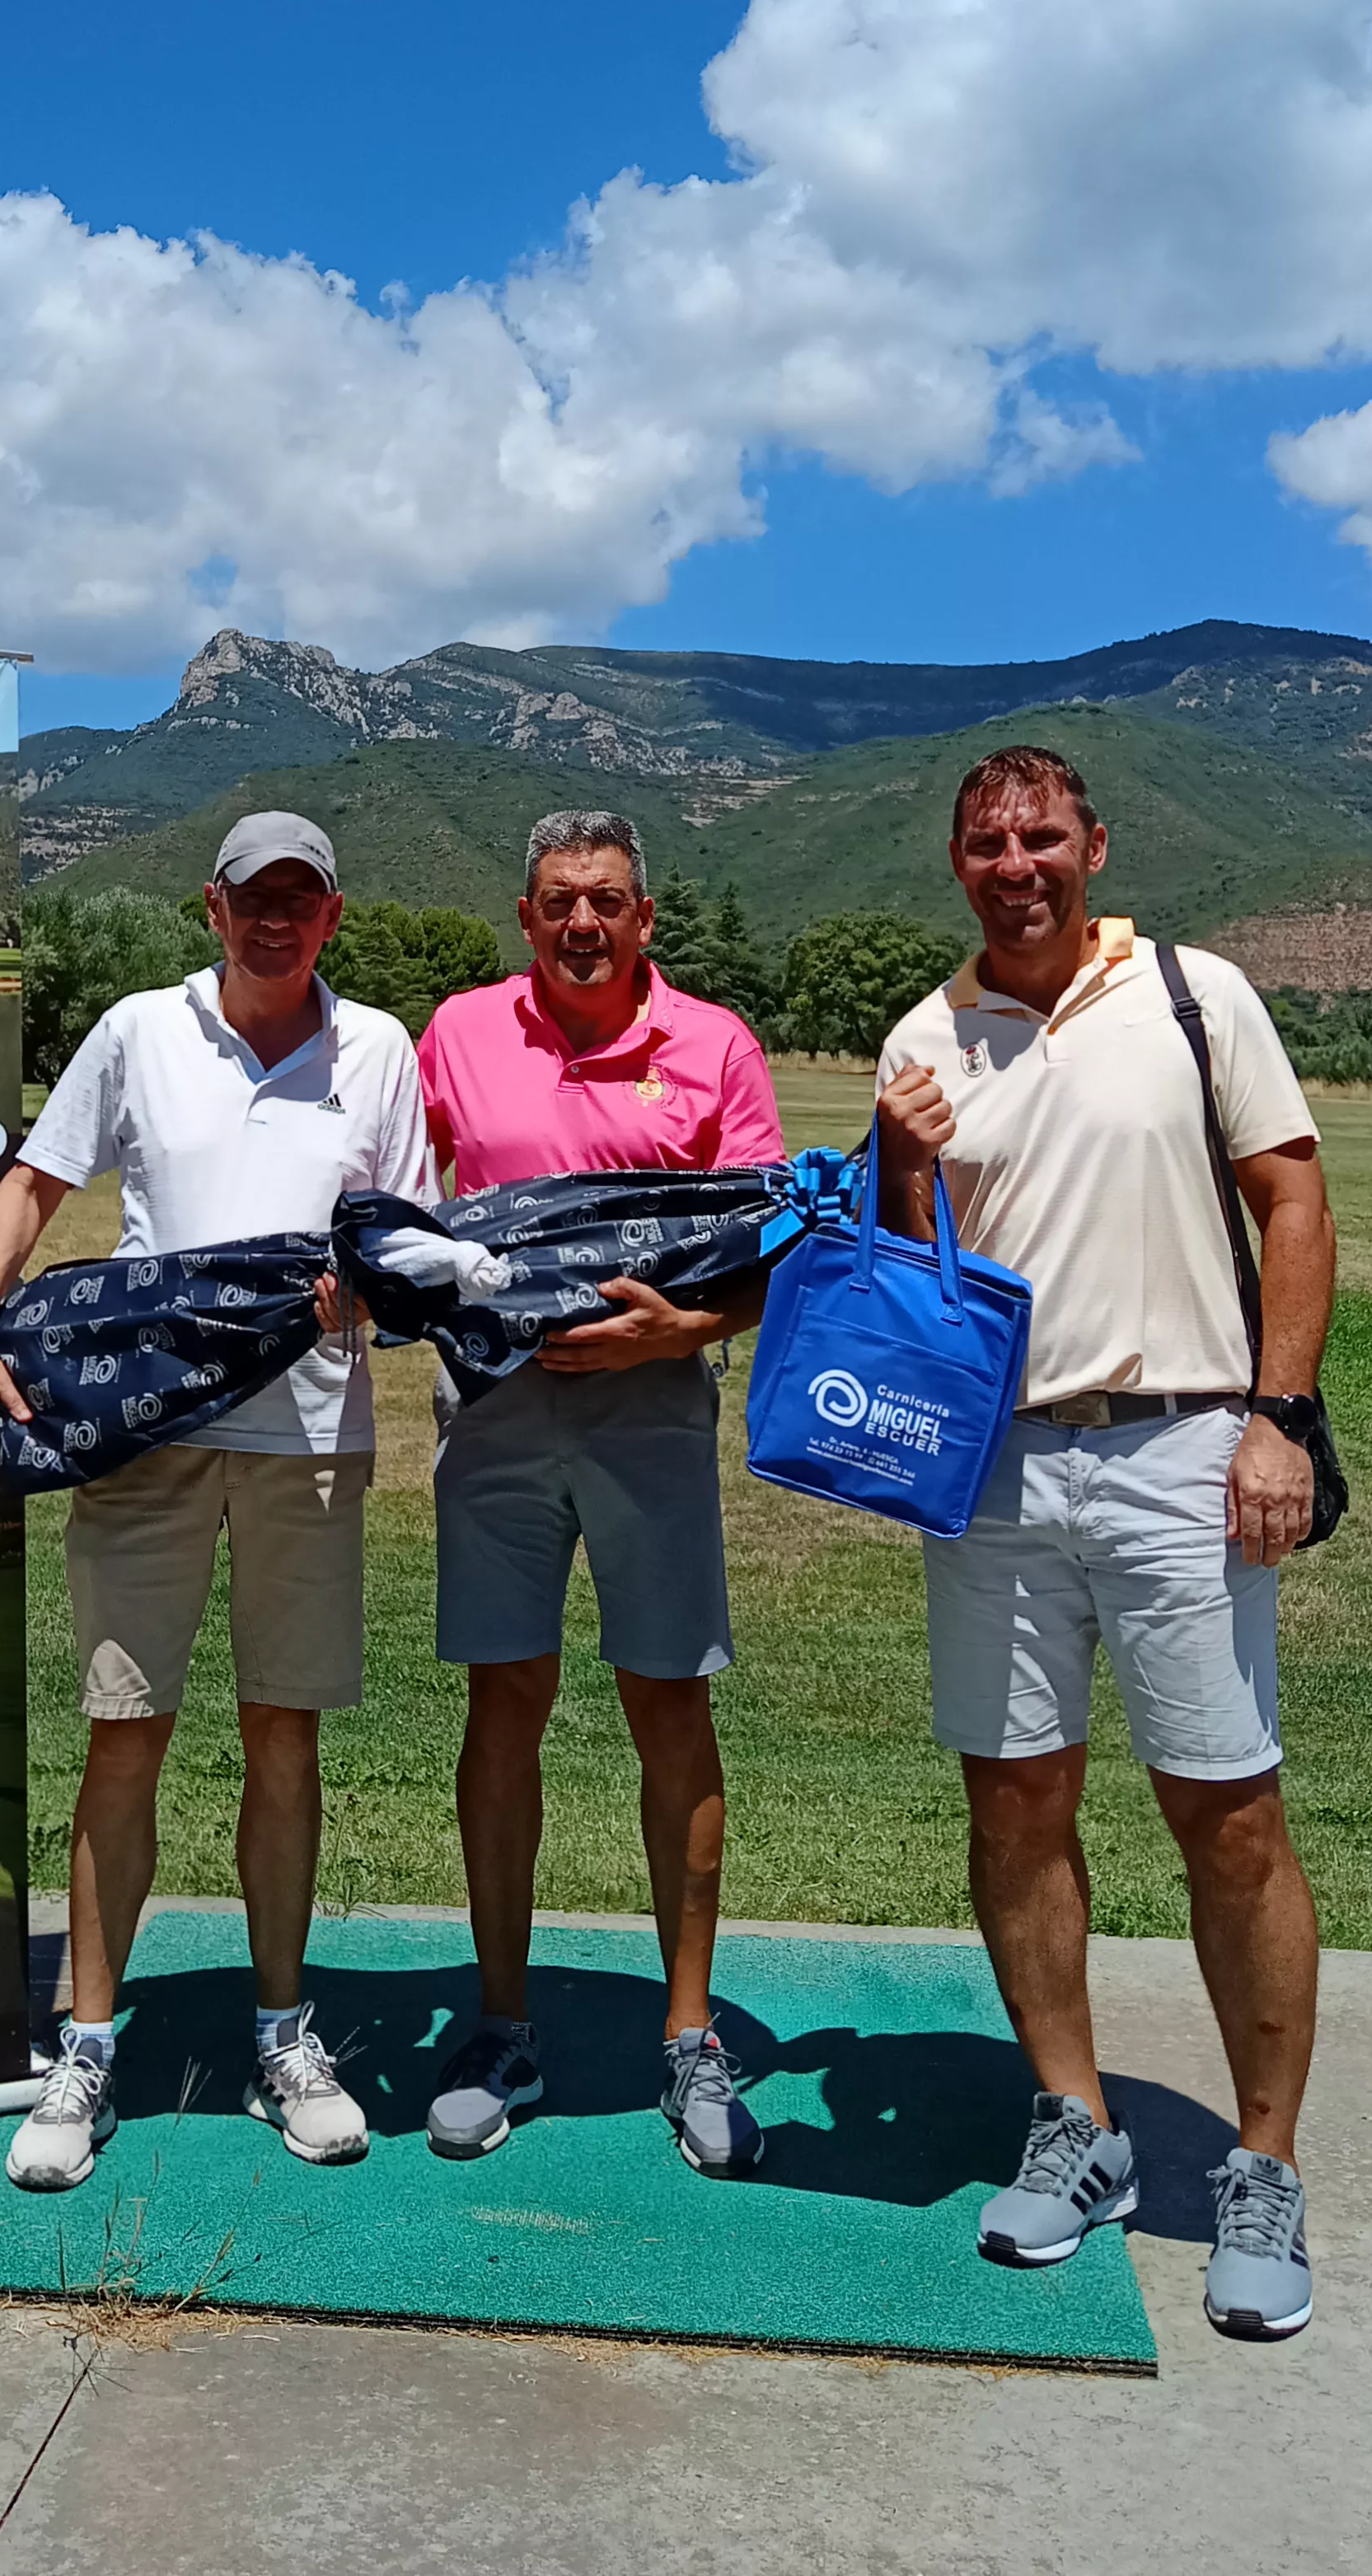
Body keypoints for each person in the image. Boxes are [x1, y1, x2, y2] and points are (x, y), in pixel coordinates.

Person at [874, 745, 1335, 2340]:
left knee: (1228, 1811)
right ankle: (1078, 2125)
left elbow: (1290, 1198)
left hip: (1184, 1449)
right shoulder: (926, 1035)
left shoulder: (1195, 994)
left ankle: (1261, 2164)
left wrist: (1281, 1416)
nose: (1018, 863)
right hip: (997, 1469)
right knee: (1016, 1804)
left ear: (1093, 846)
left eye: (1043, 836)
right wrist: (906, 1155)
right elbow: (903, 1271)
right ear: (956, 863)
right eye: (989, 842)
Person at [0, 813, 435, 2191]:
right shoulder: (137, 1031)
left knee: (285, 1742)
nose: (279, 921)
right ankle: (88, 2047)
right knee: (124, 1736)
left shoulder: (378, 1050)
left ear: (331, 917)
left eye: (305, 900)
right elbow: (35, 1184)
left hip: (312, 1441)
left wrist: (372, 1298)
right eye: (255, 899)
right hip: (147, 1434)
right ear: (210, 909)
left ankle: (285, 2035)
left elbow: (408, 1244)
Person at [412, 810, 785, 2176]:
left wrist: (676, 1332)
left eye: (610, 903)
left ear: (645, 920)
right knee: (503, 1701)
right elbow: (403, 1210)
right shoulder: (453, 1033)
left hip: (650, 1418)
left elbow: (767, 1245)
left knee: (666, 1700)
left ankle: (690, 2035)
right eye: (561, 901)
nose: (585, 924)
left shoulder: (718, 1044)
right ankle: (502, 2024)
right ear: (527, 915)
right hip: (497, 1420)